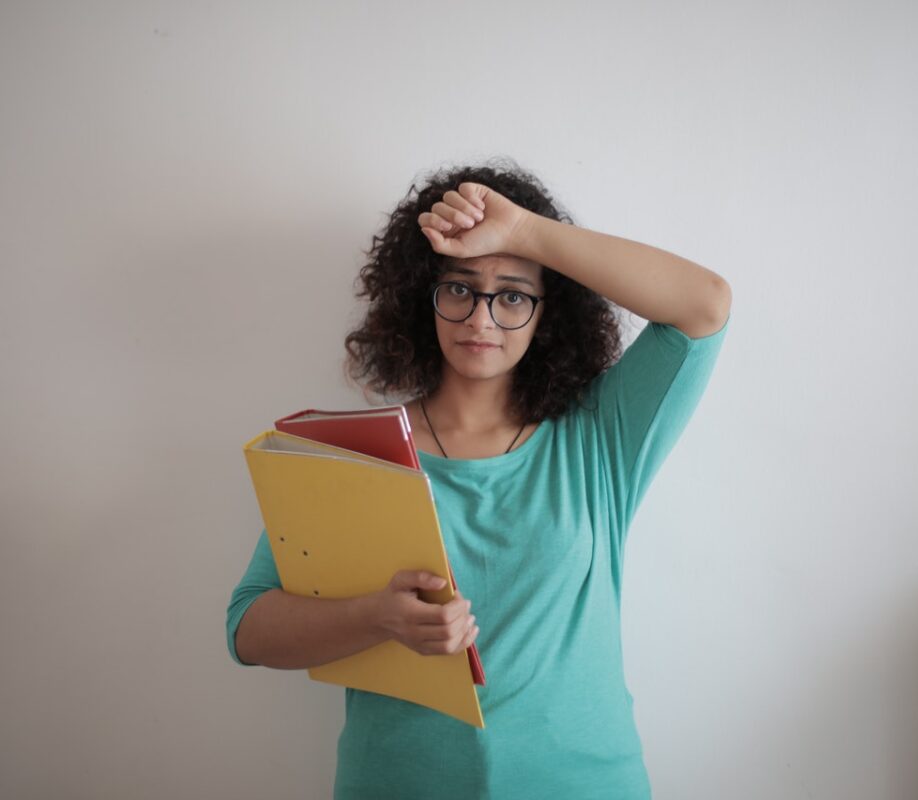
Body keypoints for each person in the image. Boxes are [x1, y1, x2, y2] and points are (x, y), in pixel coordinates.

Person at [226, 159, 732, 799]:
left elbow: (704, 306)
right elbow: (247, 629)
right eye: (459, 288)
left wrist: (521, 231)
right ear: (423, 298)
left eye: (514, 294)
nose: (481, 318)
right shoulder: (352, 454)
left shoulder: (601, 436)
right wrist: (376, 618)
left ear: (548, 312)